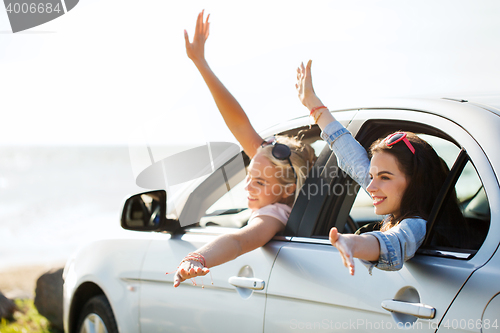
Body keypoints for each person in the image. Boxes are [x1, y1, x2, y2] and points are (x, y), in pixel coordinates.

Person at [172, 11, 316, 288]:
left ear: (286, 189)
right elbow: (238, 123)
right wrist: (201, 63)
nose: (248, 186)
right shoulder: (281, 187)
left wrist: (198, 258)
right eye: (249, 175)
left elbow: (240, 241)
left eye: (260, 182)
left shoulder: (272, 215)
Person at [296, 60, 466, 275]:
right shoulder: (413, 203)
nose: (371, 186)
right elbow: (351, 158)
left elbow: (393, 241)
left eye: (385, 177)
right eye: (372, 176)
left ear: (416, 182)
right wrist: (313, 104)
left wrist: (351, 243)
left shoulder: (418, 225)